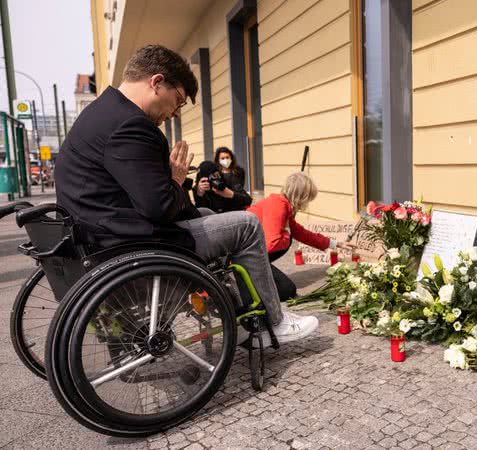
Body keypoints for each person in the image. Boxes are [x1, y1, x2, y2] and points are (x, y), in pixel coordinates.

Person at [54, 44, 317, 344]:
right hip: (130, 245)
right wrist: (176, 180)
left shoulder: (102, 113)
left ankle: (237, 313)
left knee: (206, 214)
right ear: (156, 82)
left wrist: (169, 183)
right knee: (247, 225)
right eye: (177, 101)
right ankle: (275, 322)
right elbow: (159, 208)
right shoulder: (132, 125)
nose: (174, 113)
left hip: (101, 237)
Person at [247, 172, 354, 301]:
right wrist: (287, 233)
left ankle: (255, 277)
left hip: (252, 254)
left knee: (286, 288)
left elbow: (301, 233)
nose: (308, 203)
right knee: (287, 290)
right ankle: (249, 280)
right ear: (301, 196)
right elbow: (272, 244)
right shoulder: (278, 205)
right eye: (308, 198)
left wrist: (334, 244)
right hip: (247, 256)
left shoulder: (282, 204)